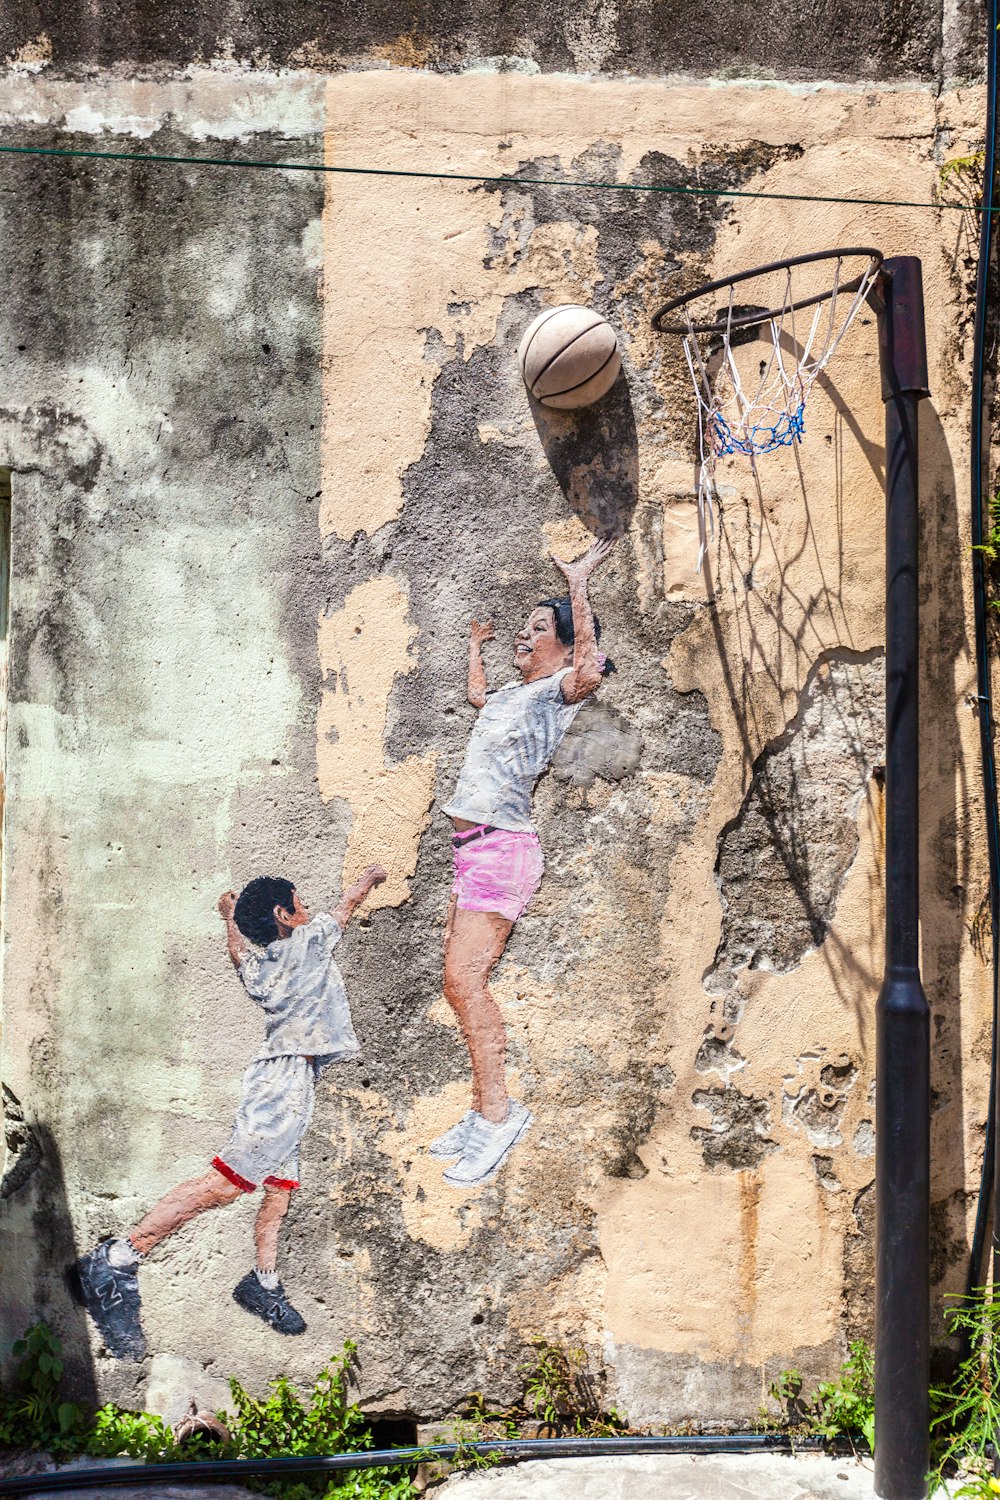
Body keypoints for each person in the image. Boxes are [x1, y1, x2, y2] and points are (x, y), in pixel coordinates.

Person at [74, 863, 386, 1360]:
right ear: (285, 915)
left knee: (280, 1190)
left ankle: (263, 1281)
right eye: (300, 903)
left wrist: (227, 918)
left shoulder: (263, 968)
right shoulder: (308, 942)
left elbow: (239, 955)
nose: (307, 910)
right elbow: (345, 908)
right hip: (282, 1085)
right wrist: (368, 880)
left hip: (290, 1080)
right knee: (223, 1184)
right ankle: (119, 1256)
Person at [433, 536, 617, 1188]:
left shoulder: (555, 694)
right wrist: (476, 649)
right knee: (458, 984)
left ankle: (498, 1115)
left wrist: (577, 586)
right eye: (526, 625)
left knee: (466, 984)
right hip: (473, 853)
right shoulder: (514, 695)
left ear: (564, 646)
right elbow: (479, 698)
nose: (525, 633)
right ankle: (485, 1110)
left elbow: (591, 672)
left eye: (539, 629)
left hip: (501, 851)